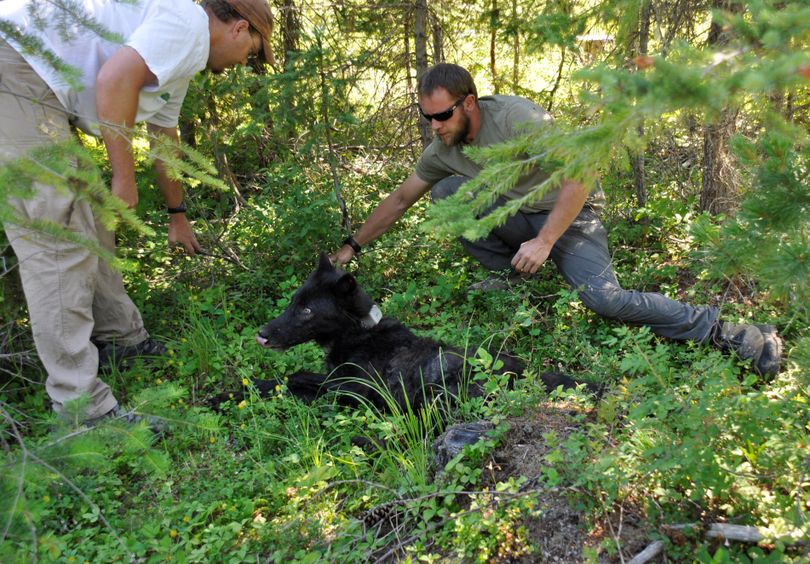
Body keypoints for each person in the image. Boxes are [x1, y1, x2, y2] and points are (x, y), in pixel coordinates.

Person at [330, 63, 782, 377]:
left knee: (605, 299)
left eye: (442, 115)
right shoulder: (443, 147)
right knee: (446, 192)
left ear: (468, 103)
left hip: (569, 218)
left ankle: (730, 331)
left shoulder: (518, 119)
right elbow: (400, 199)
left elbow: (582, 172)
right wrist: (351, 248)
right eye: (427, 118)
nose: (435, 127)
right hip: (516, 219)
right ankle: (513, 278)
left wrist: (545, 241)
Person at [0, 0, 273, 423]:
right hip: (16, 64)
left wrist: (177, 213)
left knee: (89, 215)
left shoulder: (180, 60)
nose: (244, 63)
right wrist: (123, 178)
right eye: (252, 51)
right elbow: (114, 80)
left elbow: (164, 139)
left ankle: (119, 342)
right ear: (239, 29)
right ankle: (81, 409)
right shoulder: (187, 24)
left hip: (37, 77)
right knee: (59, 235)